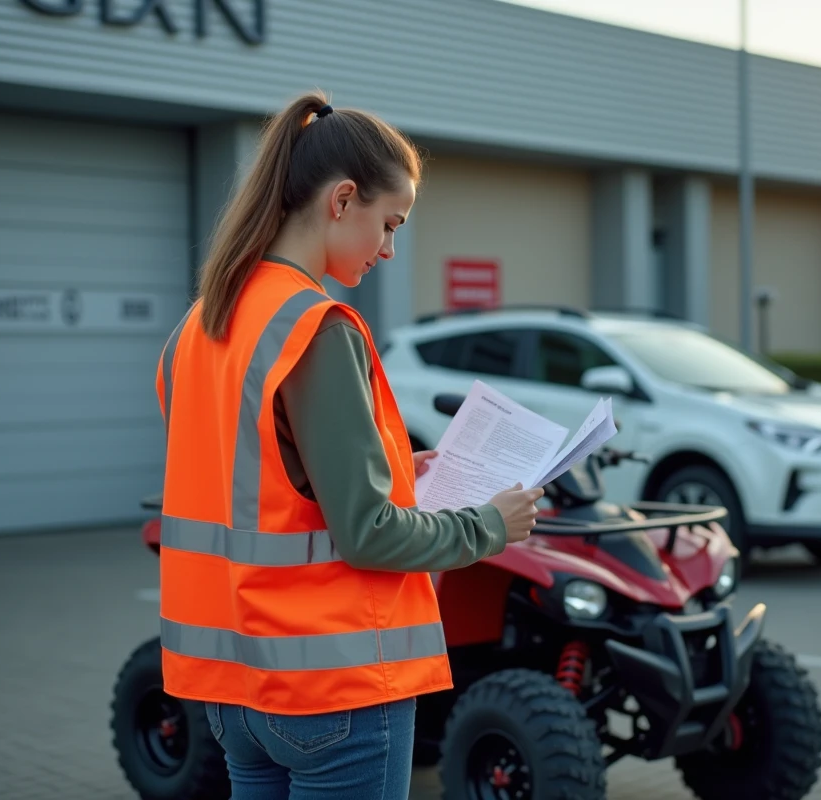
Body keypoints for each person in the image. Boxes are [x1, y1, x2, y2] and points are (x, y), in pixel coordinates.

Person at [153, 90, 544, 800]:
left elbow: (263, 479)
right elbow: (365, 535)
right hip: (333, 688)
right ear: (341, 201)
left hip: (234, 687)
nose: (390, 249)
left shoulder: (201, 325)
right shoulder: (318, 328)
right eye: (389, 224)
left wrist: (401, 467)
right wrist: (491, 527)